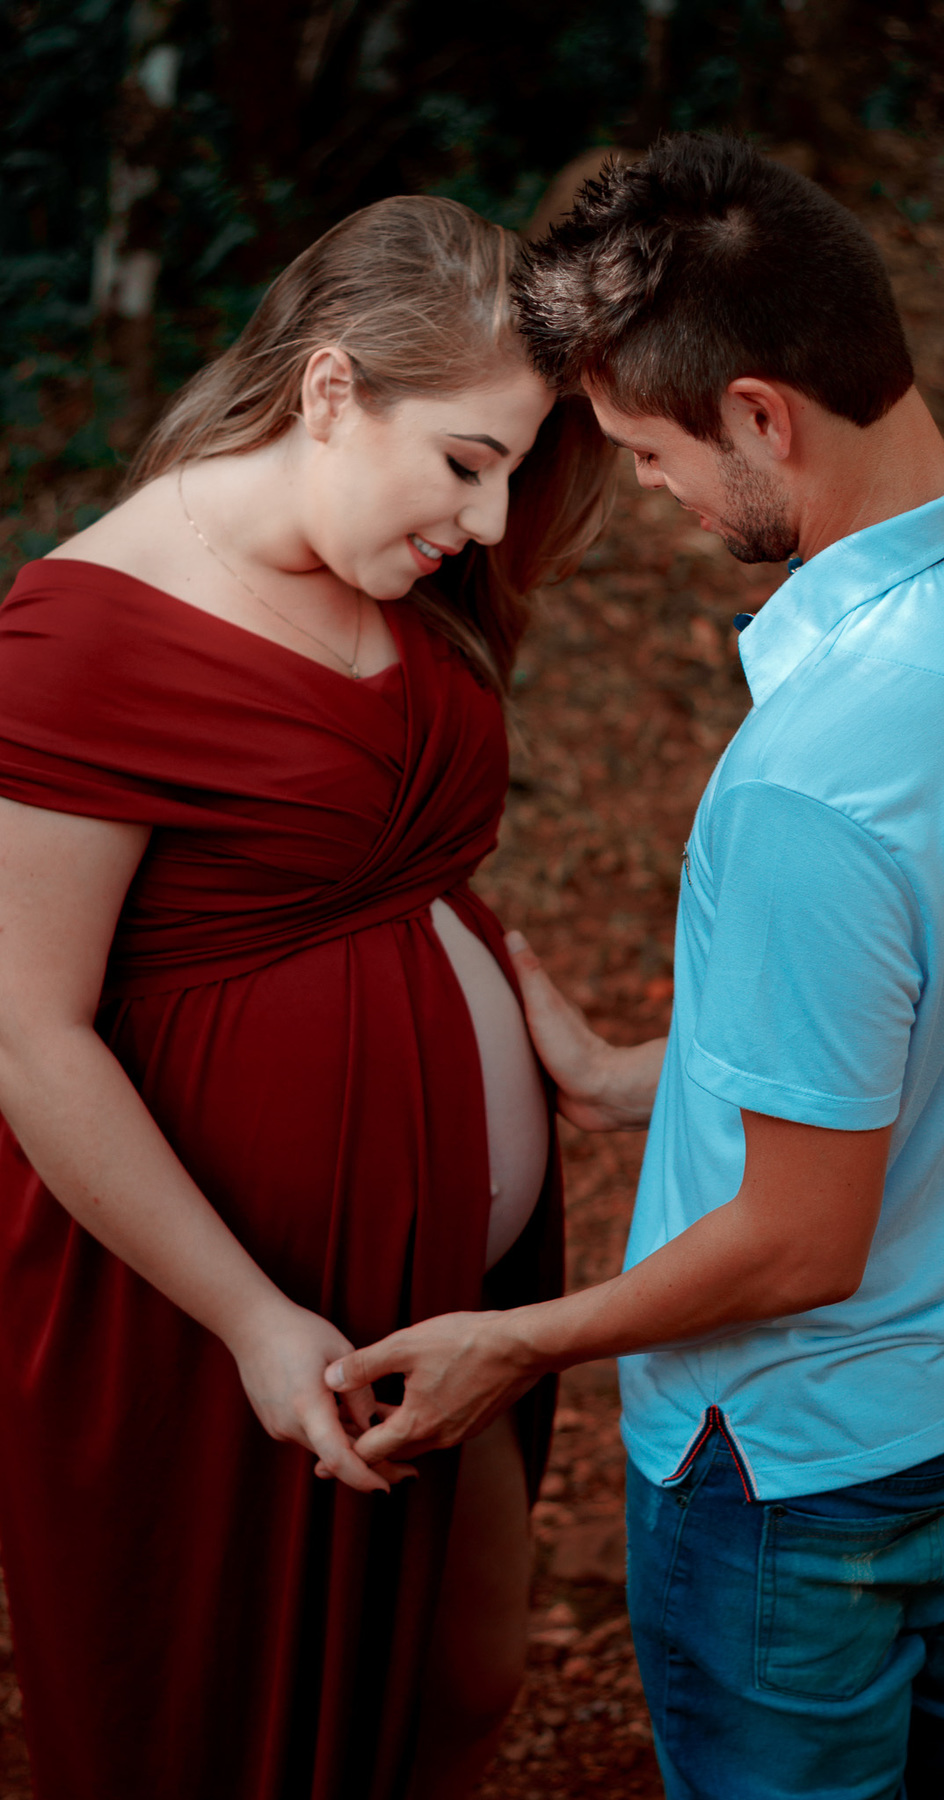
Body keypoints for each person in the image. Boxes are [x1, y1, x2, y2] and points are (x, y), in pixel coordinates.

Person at [326, 138, 944, 1799]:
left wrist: (526, 1343)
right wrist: (643, 1075)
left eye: (647, 449)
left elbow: (800, 1247)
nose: (646, 489)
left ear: (764, 415)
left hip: (804, 1462)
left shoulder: (816, 779)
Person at [0, 195, 613, 1800]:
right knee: (231, 1733)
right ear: (332, 389)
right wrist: (253, 1319)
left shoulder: (401, 579)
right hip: (219, 1303)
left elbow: (373, 865)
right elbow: (25, 1031)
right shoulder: (78, 639)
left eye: (514, 471)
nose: (490, 526)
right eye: (468, 463)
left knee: (466, 1672)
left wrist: (509, 992)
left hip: (447, 1274)